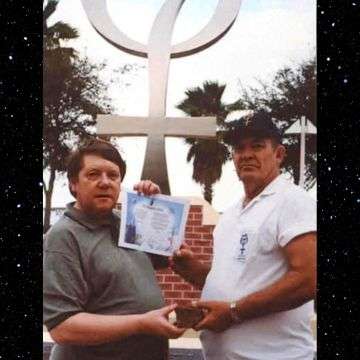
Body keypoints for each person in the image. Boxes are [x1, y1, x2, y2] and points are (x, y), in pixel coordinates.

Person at [170, 111, 317, 360]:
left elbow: (309, 278)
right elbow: (240, 283)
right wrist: (193, 270)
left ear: (279, 154)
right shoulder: (231, 214)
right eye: (239, 148)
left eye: (258, 146)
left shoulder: (292, 201)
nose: (247, 154)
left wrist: (233, 312)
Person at [43, 139, 185, 360]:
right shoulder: (63, 236)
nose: (105, 182)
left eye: (113, 175)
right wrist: (141, 323)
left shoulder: (129, 224)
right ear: (73, 184)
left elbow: (168, 258)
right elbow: (63, 327)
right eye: (93, 174)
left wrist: (155, 207)